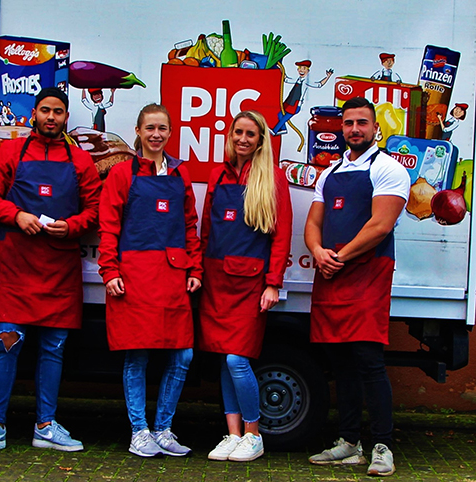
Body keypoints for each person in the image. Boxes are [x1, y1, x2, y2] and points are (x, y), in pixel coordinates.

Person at [0, 87, 102, 453]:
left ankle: (46, 425)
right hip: (16, 266)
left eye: (58, 112)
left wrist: (72, 226)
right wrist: (16, 215)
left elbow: (95, 209)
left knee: (54, 348)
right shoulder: (11, 152)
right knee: (6, 344)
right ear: (34, 114)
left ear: (66, 117)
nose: (51, 117)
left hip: (59, 267)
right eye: (45, 110)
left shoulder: (81, 161)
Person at [304, 97, 410, 477]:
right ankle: (349, 443)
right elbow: (313, 224)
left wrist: (339, 256)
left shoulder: (389, 169)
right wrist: (318, 251)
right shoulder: (329, 173)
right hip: (333, 274)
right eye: (348, 123)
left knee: (368, 360)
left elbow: (380, 226)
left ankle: (383, 446)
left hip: (368, 273)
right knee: (341, 362)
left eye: (362, 122)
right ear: (341, 128)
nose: (354, 129)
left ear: (375, 128)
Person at [98, 103, 202, 457]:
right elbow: (108, 226)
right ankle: (139, 431)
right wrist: (110, 271)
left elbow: (190, 225)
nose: (156, 135)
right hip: (134, 277)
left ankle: (163, 429)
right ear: (138, 132)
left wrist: (195, 269)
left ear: (170, 133)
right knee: (137, 355)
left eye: (162, 128)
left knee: (183, 355)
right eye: (150, 128)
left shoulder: (180, 173)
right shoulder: (121, 174)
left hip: (173, 276)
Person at [197, 111, 293, 462]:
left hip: (250, 284)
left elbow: (281, 236)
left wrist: (273, 284)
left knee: (238, 359)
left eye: (250, 134)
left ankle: (253, 434)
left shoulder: (273, 178)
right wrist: (199, 271)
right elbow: (206, 230)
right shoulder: (217, 174)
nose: (242, 139)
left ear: (260, 140)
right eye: (238, 132)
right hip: (216, 281)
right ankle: (233, 434)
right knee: (225, 359)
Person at [271, 60, 334, 135]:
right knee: (280, 114)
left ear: (308, 71)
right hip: (289, 101)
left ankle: (275, 130)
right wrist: (280, 68)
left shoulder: (307, 81)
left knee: (285, 117)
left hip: (296, 104)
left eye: (304, 68)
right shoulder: (297, 79)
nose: (301, 70)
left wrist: (328, 77)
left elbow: (319, 84)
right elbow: (286, 79)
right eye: (300, 68)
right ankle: (283, 129)